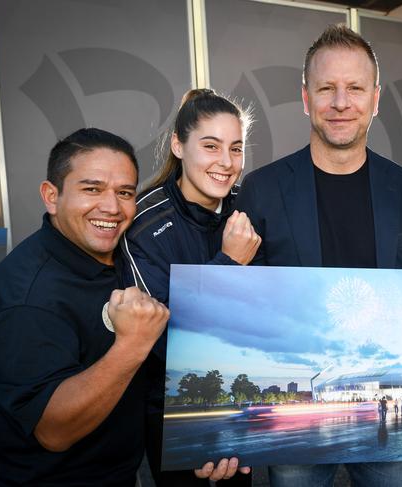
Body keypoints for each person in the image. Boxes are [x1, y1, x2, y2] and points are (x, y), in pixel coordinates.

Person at [236, 24, 402, 487]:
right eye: (327, 88)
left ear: (376, 97)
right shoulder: (262, 190)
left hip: (390, 415)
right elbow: (245, 303)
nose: (341, 102)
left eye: (354, 88)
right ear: (306, 97)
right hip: (300, 416)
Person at [0, 128, 169, 485]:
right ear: (51, 196)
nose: (111, 207)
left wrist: (205, 443)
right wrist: (132, 344)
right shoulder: (26, 298)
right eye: (92, 189)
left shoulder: (124, 255)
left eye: (124, 193)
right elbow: (53, 430)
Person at [121, 89, 260, 486]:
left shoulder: (247, 211)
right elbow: (162, 338)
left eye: (236, 148)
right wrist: (229, 263)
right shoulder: (144, 226)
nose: (226, 162)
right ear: (178, 146)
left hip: (239, 393)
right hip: (171, 403)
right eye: (211, 146)